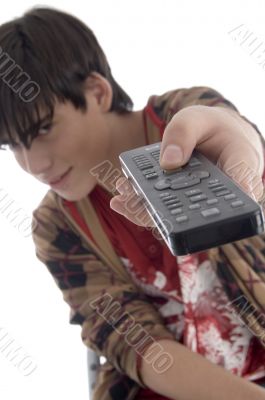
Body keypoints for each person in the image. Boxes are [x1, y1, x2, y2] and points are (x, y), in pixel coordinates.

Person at [0, 6, 265, 400]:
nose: (33, 164)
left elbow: (227, 130)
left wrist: (245, 151)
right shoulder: (57, 224)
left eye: (43, 128)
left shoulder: (178, 120)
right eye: (12, 145)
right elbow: (135, 341)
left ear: (98, 92)